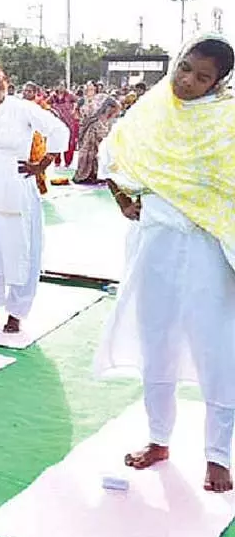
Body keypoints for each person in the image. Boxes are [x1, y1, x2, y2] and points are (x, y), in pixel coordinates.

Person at [93, 35, 235, 494]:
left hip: (207, 246)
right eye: (185, 68)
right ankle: (158, 438)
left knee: (217, 348)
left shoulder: (228, 121)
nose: (188, 81)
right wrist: (120, 196)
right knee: (157, 340)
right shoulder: (153, 107)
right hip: (154, 242)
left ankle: (218, 456)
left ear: (219, 83)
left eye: (202, 76)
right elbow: (113, 154)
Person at [0, 65, 68, 333]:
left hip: (14, 187)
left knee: (18, 249)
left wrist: (41, 164)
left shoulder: (23, 108)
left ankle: (17, 313)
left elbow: (58, 131)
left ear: (2, 88)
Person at [72, 81, 121, 184]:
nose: (88, 90)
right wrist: (80, 119)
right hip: (85, 129)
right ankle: (83, 175)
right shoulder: (82, 100)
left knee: (98, 152)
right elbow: (75, 112)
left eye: (91, 88)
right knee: (84, 153)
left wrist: (107, 118)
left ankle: (98, 175)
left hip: (99, 128)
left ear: (95, 89)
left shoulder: (102, 98)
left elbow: (117, 106)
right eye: (87, 88)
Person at [48, 84, 79, 167]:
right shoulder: (53, 97)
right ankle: (57, 162)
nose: (61, 88)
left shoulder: (70, 96)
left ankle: (67, 162)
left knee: (69, 142)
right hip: (57, 123)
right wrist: (52, 110)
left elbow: (77, 102)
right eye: (59, 86)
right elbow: (46, 104)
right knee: (56, 141)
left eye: (62, 86)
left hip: (69, 122)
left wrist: (73, 109)